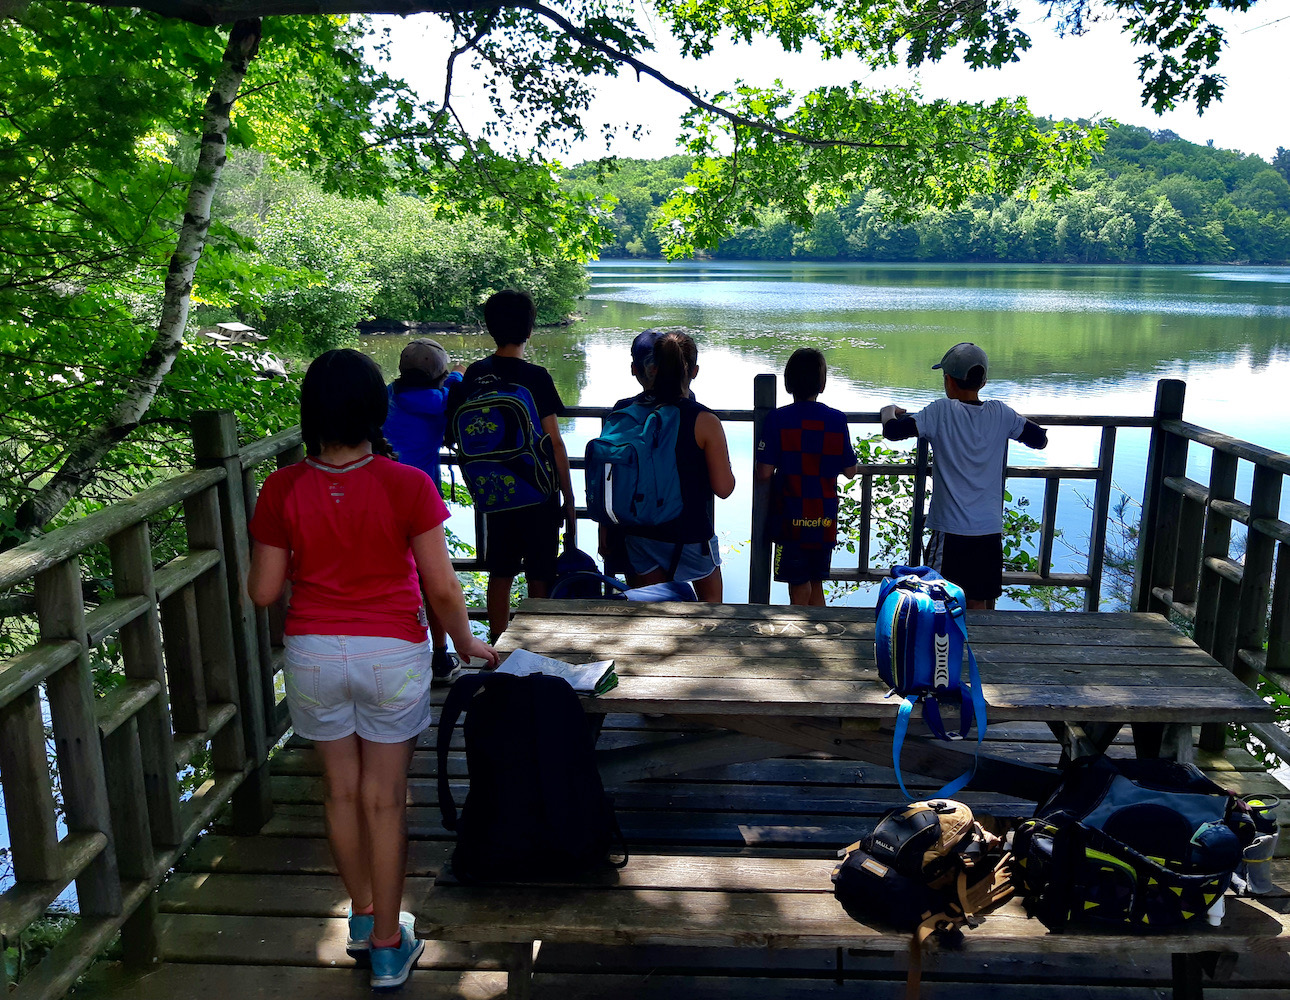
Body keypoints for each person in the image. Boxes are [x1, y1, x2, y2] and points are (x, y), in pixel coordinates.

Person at [247, 349, 498, 991]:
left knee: (341, 793)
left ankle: (361, 917)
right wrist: (467, 641)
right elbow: (442, 588)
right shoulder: (406, 483)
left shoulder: (281, 488)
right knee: (386, 800)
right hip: (392, 652)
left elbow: (263, 591)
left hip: (313, 653)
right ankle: (389, 945)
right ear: (375, 409)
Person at [447, 289, 577, 642]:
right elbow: (555, 443)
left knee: (500, 572)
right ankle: (536, 645)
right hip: (538, 493)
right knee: (540, 573)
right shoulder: (535, 377)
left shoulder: (475, 373)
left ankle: (497, 647)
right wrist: (568, 499)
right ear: (530, 330)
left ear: (490, 329)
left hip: (495, 492)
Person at [880, 342, 1048, 610]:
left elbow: (893, 431)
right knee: (978, 604)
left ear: (948, 380)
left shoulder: (941, 411)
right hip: (989, 531)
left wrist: (888, 411)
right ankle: (972, 650)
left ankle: (944, 652)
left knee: (939, 601)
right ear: (984, 382)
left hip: (950, 531)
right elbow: (1039, 439)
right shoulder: (1000, 413)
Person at [617, 330, 735, 601]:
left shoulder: (624, 411)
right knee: (711, 619)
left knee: (651, 619)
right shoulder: (704, 419)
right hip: (691, 534)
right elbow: (724, 488)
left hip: (639, 534)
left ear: (653, 368)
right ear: (694, 371)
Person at [382, 338, 465, 684]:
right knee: (433, 578)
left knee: (394, 578)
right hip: (421, 503)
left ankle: (392, 651)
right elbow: (461, 381)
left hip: (377, 498)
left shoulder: (384, 396)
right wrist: (456, 376)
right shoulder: (441, 401)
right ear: (438, 376)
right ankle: (440, 656)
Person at [755, 348, 858, 606]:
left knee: (798, 586)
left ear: (788, 382)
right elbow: (849, 471)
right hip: (823, 518)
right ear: (822, 384)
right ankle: (821, 638)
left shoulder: (778, 419)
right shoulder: (836, 420)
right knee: (816, 581)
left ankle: (799, 640)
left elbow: (764, 472)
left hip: (790, 518)